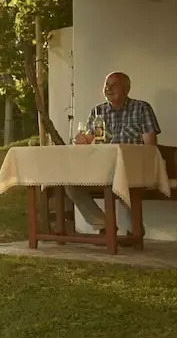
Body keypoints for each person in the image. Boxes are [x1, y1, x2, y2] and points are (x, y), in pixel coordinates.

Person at [65, 71, 161, 236]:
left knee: (121, 177)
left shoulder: (141, 108)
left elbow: (150, 146)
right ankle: (104, 225)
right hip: (103, 167)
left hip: (132, 167)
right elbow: (88, 140)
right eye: (106, 85)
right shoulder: (97, 111)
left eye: (113, 85)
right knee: (70, 185)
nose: (108, 88)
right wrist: (81, 141)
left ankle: (135, 230)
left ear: (126, 89)